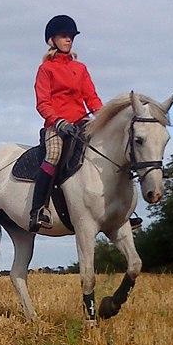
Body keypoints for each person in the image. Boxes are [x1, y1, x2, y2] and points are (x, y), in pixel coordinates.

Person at [29, 15, 103, 232]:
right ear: (52, 40)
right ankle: (38, 210)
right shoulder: (45, 70)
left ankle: (121, 211)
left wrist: (105, 118)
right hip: (56, 125)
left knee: (108, 148)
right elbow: (42, 103)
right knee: (53, 155)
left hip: (81, 122)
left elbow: (92, 98)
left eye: (71, 36)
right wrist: (57, 121)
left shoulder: (80, 68)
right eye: (64, 36)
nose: (69, 40)